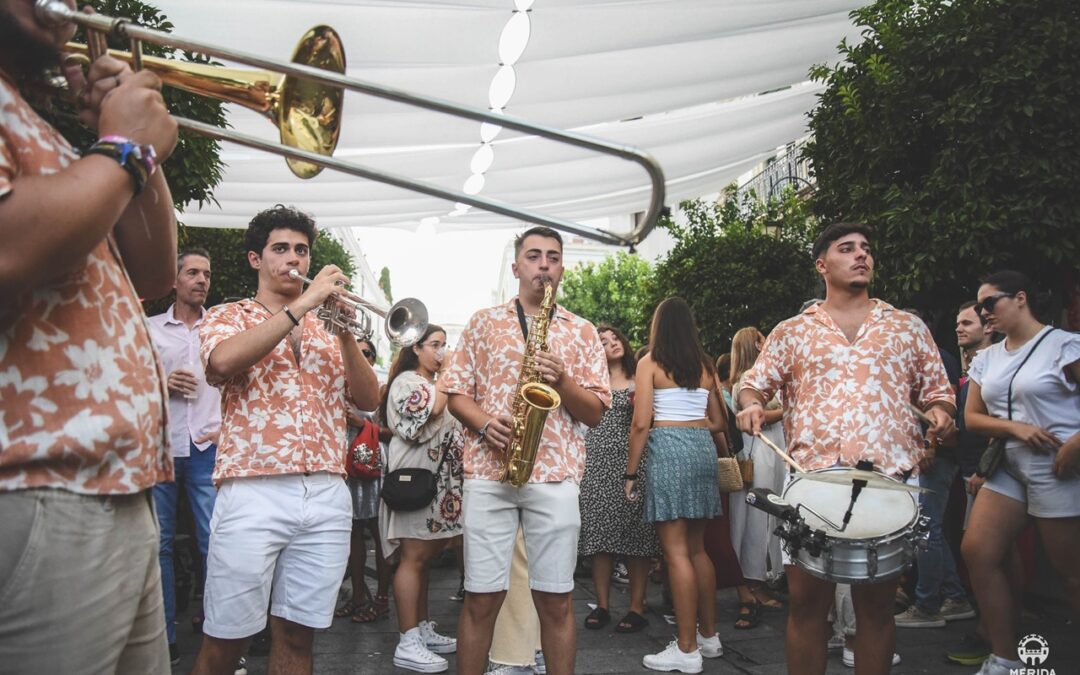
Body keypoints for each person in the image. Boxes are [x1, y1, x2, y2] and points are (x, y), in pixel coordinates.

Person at [0, 3, 179, 671]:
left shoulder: (32, 120)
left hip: (113, 488)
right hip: (35, 481)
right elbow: (9, 251)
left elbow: (156, 270)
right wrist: (122, 148)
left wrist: (136, 153)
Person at [736, 222, 955, 675]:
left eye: (867, 249)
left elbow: (938, 391)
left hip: (888, 482)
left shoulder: (906, 326)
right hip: (813, 479)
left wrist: (941, 413)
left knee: (875, 610)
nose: (862, 256)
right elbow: (753, 384)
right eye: (847, 248)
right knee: (806, 607)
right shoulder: (792, 331)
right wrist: (751, 405)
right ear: (822, 265)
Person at [191, 205, 380, 675]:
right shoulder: (227, 315)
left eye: (301, 249)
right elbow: (221, 364)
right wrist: (302, 306)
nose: (294, 258)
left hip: (325, 492)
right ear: (256, 259)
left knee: (298, 637)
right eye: (281, 249)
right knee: (225, 640)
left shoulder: (325, 327)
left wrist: (345, 336)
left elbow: (368, 398)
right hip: (252, 488)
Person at [442, 225, 611, 675]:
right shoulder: (484, 322)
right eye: (534, 256)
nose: (543, 265)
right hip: (489, 474)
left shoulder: (582, 330)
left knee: (556, 601)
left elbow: (595, 412)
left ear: (561, 268)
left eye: (552, 257)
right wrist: (483, 424)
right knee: (481, 598)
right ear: (517, 267)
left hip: (555, 477)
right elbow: (456, 393)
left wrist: (564, 381)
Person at [960, 270, 1080, 675]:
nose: (983, 312)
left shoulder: (1063, 345)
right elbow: (973, 418)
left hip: (1057, 466)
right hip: (1008, 465)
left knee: (1071, 573)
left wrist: (1075, 446)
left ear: (1021, 298)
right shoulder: (987, 358)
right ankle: (1005, 657)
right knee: (978, 551)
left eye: (989, 303)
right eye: (979, 307)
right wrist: (1016, 428)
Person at [624, 297, 726, 673]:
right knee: (698, 550)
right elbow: (718, 421)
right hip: (701, 451)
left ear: (658, 327)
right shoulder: (705, 365)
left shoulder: (649, 363)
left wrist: (631, 473)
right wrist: (693, 427)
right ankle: (709, 637)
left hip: (667, 451)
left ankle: (686, 650)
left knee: (676, 553)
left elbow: (640, 424)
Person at [147, 248, 223, 661]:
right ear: (175, 280)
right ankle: (165, 639)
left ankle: (218, 634)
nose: (202, 280)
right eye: (193, 272)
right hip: (161, 446)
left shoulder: (222, 328)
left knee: (214, 541)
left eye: (206, 274)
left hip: (207, 446)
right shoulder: (149, 329)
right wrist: (162, 383)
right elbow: (129, 382)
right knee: (158, 544)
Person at [378, 323, 464, 673]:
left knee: (425, 558)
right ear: (416, 348)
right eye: (436, 345)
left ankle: (423, 628)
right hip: (415, 480)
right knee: (412, 558)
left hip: (441, 484)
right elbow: (428, 412)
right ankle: (407, 639)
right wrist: (450, 374)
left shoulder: (434, 381)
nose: (442, 351)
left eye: (445, 345)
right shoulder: (406, 382)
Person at [579, 325, 661, 633]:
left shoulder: (639, 376)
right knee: (600, 536)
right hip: (596, 461)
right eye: (603, 341)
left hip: (633, 462)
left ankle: (637, 606)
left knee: (636, 537)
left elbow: (650, 420)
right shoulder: (590, 380)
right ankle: (602, 605)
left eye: (615, 338)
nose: (612, 343)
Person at [727, 326, 786, 629]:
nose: (767, 343)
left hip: (775, 451)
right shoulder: (745, 382)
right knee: (756, 518)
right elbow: (754, 413)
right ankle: (753, 581)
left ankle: (768, 574)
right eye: (762, 339)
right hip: (758, 452)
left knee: (773, 515)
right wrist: (790, 409)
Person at [336, 337, 393, 624]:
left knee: (378, 530)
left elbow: (395, 433)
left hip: (372, 466)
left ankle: (382, 599)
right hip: (341, 464)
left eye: (367, 353)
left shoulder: (380, 389)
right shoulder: (335, 385)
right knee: (352, 531)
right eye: (355, 352)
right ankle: (358, 595)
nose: (362, 357)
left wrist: (363, 424)